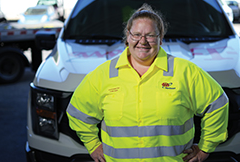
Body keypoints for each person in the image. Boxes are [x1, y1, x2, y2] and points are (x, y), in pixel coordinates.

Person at [67, 3, 229, 162]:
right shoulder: (103, 75)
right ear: (128, 36)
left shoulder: (185, 72)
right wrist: (92, 144)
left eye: (150, 35)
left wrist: (204, 148)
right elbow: (77, 112)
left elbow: (218, 103)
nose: (142, 41)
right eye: (136, 34)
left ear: (160, 38)